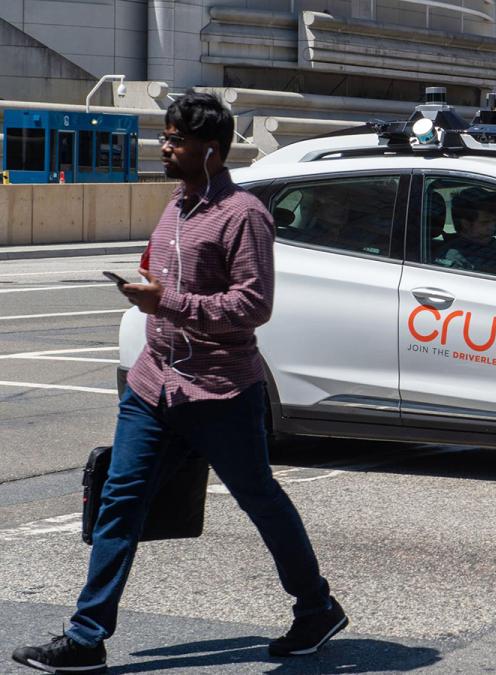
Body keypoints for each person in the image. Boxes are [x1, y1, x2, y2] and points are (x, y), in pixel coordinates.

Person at [12, 93, 347, 674]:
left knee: (259, 499)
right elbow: (167, 275)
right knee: (120, 501)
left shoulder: (243, 214)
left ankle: (316, 608)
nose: (165, 147)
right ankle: (86, 638)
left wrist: (165, 300)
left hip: (219, 390)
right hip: (154, 385)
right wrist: (149, 287)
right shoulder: (177, 204)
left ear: (210, 150)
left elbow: (252, 304)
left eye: (175, 139)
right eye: (165, 136)